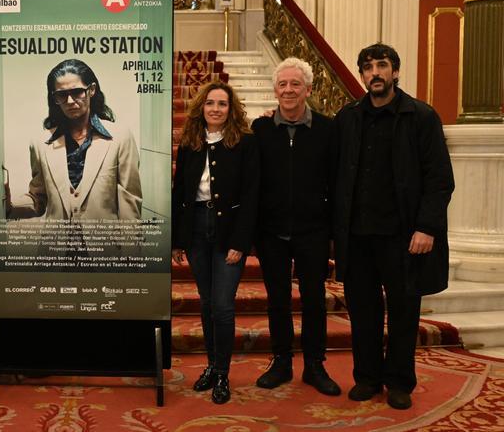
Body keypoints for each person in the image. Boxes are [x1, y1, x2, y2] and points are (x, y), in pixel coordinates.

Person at [333, 43, 454, 410]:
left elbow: (439, 179)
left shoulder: (421, 116)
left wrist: (427, 228)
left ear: (396, 72)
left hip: (405, 238)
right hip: (358, 237)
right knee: (363, 313)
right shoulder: (348, 117)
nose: (375, 73)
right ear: (361, 75)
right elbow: (335, 176)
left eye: (382, 66)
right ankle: (367, 378)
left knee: (403, 313)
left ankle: (399, 381)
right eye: (367, 67)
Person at [251, 58, 340, 396]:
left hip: (313, 231)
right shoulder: (259, 130)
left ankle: (315, 366)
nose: (288, 90)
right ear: (275, 90)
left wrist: (332, 229)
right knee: (277, 301)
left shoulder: (328, 130)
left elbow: (336, 182)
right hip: (271, 232)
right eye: (283, 85)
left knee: (314, 300)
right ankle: (281, 361)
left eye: (295, 85)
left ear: (309, 90)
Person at [172, 80, 259, 404]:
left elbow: (252, 196)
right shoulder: (191, 142)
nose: (216, 109)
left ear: (231, 109)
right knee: (207, 303)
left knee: (222, 306)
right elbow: (180, 191)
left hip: (227, 232)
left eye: (222, 104)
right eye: (210, 103)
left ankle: (222, 373)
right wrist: (177, 240)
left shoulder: (244, 143)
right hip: (195, 228)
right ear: (201, 107)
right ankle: (211, 365)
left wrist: (241, 241)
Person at [6, 58, 142, 221]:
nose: (70, 101)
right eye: (62, 95)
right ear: (54, 98)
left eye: (77, 92)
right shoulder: (41, 143)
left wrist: (131, 246)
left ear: (91, 90)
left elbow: (130, 207)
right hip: (56, 245)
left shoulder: (120, 137)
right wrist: (9, 206)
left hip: (104, 244)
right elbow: (38, 199)